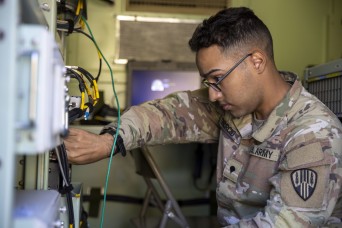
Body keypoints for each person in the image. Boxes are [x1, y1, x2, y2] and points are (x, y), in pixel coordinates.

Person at [64, 7, 342, 227]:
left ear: (256, 61)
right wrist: (109, 141)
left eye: (218, 79)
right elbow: (167, 113)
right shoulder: (235, 107)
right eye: (208, 82)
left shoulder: (313, 136)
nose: (212, 95)